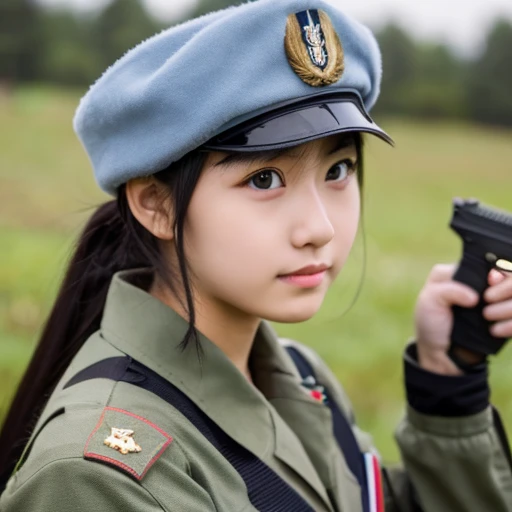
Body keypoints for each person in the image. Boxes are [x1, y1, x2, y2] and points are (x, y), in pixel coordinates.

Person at [0, 0, 511, 510]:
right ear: (155, 205)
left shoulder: (297, 376)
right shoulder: (99, 476)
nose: (320, 228)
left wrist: (448, 380)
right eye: (264, 179)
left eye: (338, 171)